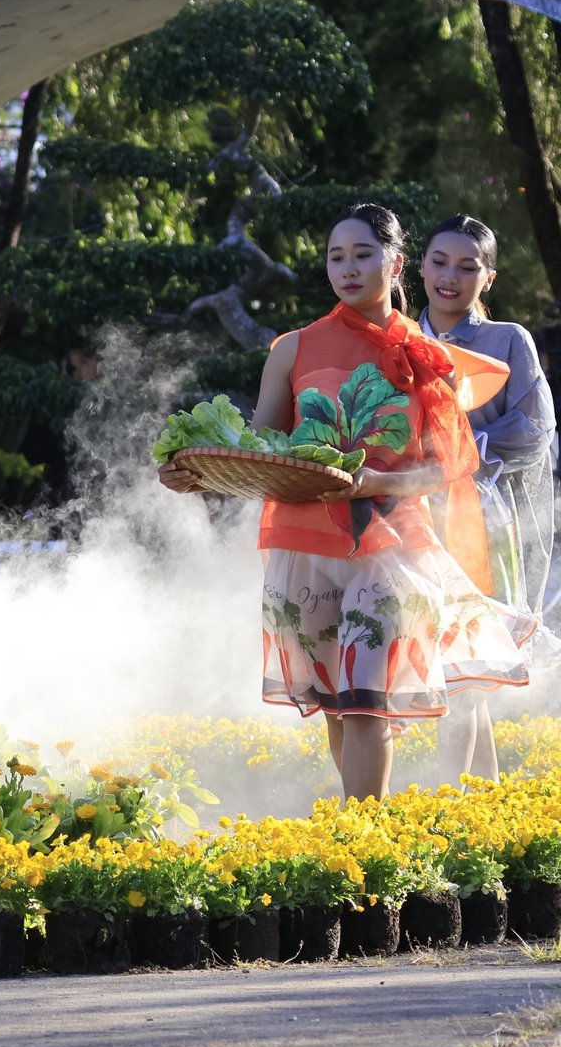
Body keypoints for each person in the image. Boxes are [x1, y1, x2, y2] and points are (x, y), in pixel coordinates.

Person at [159, 203, 534, 802]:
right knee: (336, 706)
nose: (349, 268)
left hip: (393, 546)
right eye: (337, 256)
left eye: (363, 255)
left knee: (364, 703)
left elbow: (448, 464)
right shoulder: (293, 349)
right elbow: (263, 450)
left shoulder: (425, 355)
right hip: (303, 546)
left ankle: (367, 833)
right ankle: (359, 830)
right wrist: (201, 471)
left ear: (396, 262)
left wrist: (376, 486)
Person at [417, 214, 556, 783]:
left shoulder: (507, 340)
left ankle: (453, 815)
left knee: (463, 672)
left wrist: (455, 449)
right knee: (450, 670)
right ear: (417, 266)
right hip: (406, 519)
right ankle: (486, 811)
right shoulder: (396, 336)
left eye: (468, 266)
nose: (451, 276)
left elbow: (534, 430)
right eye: (440, 262)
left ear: (489, 278)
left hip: (481, 521)